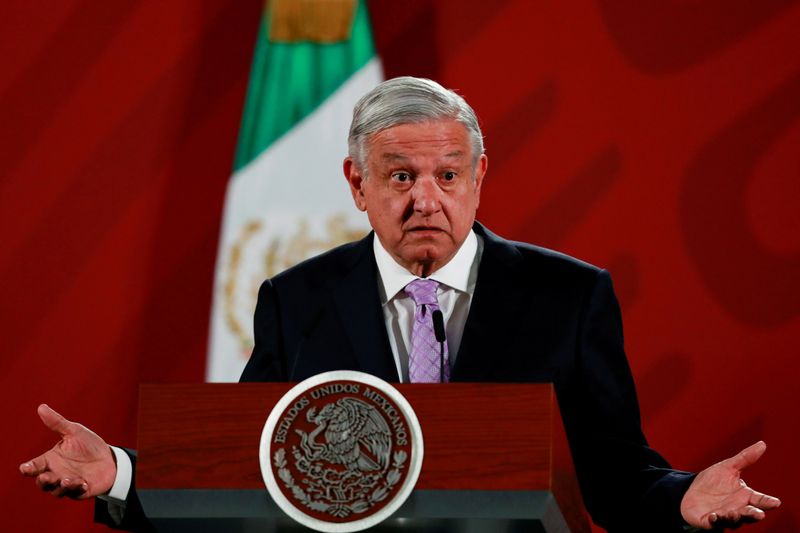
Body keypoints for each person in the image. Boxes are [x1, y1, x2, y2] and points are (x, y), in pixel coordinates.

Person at [21, 77, 781, 532]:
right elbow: (247, 470)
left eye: (447, 175)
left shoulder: (571, 296)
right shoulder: (298, 301)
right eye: (400, 175)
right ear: (357, 184)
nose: (426, 198)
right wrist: (119, 472)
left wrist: (682, 502)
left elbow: (615, 474)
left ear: (479, 176)